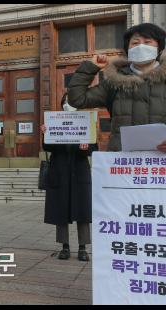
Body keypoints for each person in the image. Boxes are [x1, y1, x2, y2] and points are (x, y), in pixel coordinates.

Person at [67, 23, 166, 153]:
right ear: (128, 48)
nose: (141, 46)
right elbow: (77, 99)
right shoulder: (114, 82)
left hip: (158, 166)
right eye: (135, 43)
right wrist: (90, 68)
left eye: (148, 42)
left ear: (159, 47)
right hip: (121, 163)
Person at [40, 93, 97, 261]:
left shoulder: (87, 123)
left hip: (79, 171)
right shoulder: (56, 121)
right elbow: (48, 147)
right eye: (64, 101)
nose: (66, 104)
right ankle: (64, 246)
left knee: (82, 211)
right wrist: (45, 133)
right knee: (61, 209)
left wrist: (84, 148)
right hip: (60, 172)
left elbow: (94, 148)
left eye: (70, 102)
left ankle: (83, 247)